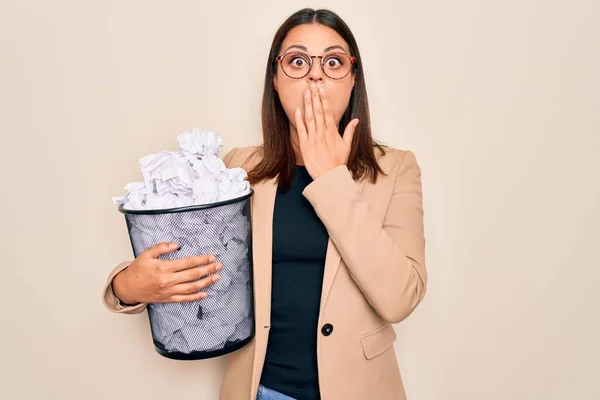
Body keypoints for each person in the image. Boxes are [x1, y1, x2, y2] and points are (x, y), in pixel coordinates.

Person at [102, 8, 427, 400]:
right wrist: (126, 287)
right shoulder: (236, 169)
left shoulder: (395, 169)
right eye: (297, 61)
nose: (316, 74)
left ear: (353, 79)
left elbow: (400, 297)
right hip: (261, 390)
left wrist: (330, 179)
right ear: (275, 79)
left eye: (334, 61)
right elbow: (169, 250)